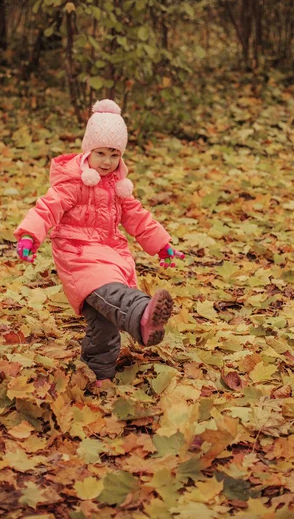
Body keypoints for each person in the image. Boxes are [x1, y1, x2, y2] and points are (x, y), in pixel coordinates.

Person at [15, 99, 184, 386]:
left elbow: (139, 218)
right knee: (109, 293)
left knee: (103, 323)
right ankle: (143, 314)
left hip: (111, 253)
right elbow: (47, 208)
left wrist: (162, 244)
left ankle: (98, 373)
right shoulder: (73, 183)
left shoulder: (118, 188)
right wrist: (30, 235)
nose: (107, 162)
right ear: (88, 151)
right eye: (101, 153)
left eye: (114, 155)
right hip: (77, 253)